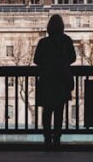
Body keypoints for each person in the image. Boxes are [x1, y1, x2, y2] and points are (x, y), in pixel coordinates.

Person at [33, 14, 76, 147]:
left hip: (47, 80)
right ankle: (57, 138)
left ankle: (47, 138)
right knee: (59, 112)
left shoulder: (43, 42)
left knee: (47, 112)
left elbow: (36, 60)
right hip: (61, 80)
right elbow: (73, 58)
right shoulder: (67, 41)